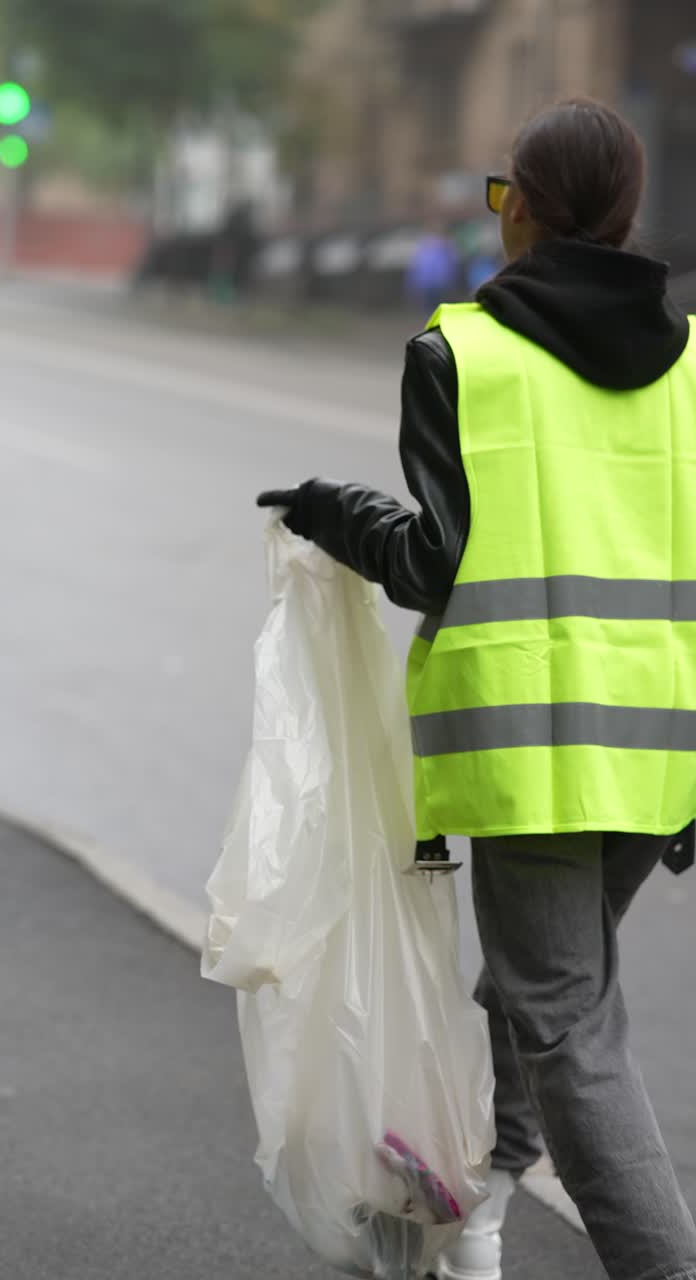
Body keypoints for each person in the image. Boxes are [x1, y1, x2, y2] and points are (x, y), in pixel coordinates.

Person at [257, 98, 696, 1280]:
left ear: (533, 212)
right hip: (657, 754)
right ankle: (475, 1211)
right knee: (534, 984)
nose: (499, 215)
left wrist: (330, 508)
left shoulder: (464, 355)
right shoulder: (692, 362)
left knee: (564, 1023)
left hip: (527, 751)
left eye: (505, 194)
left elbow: (429, 561)